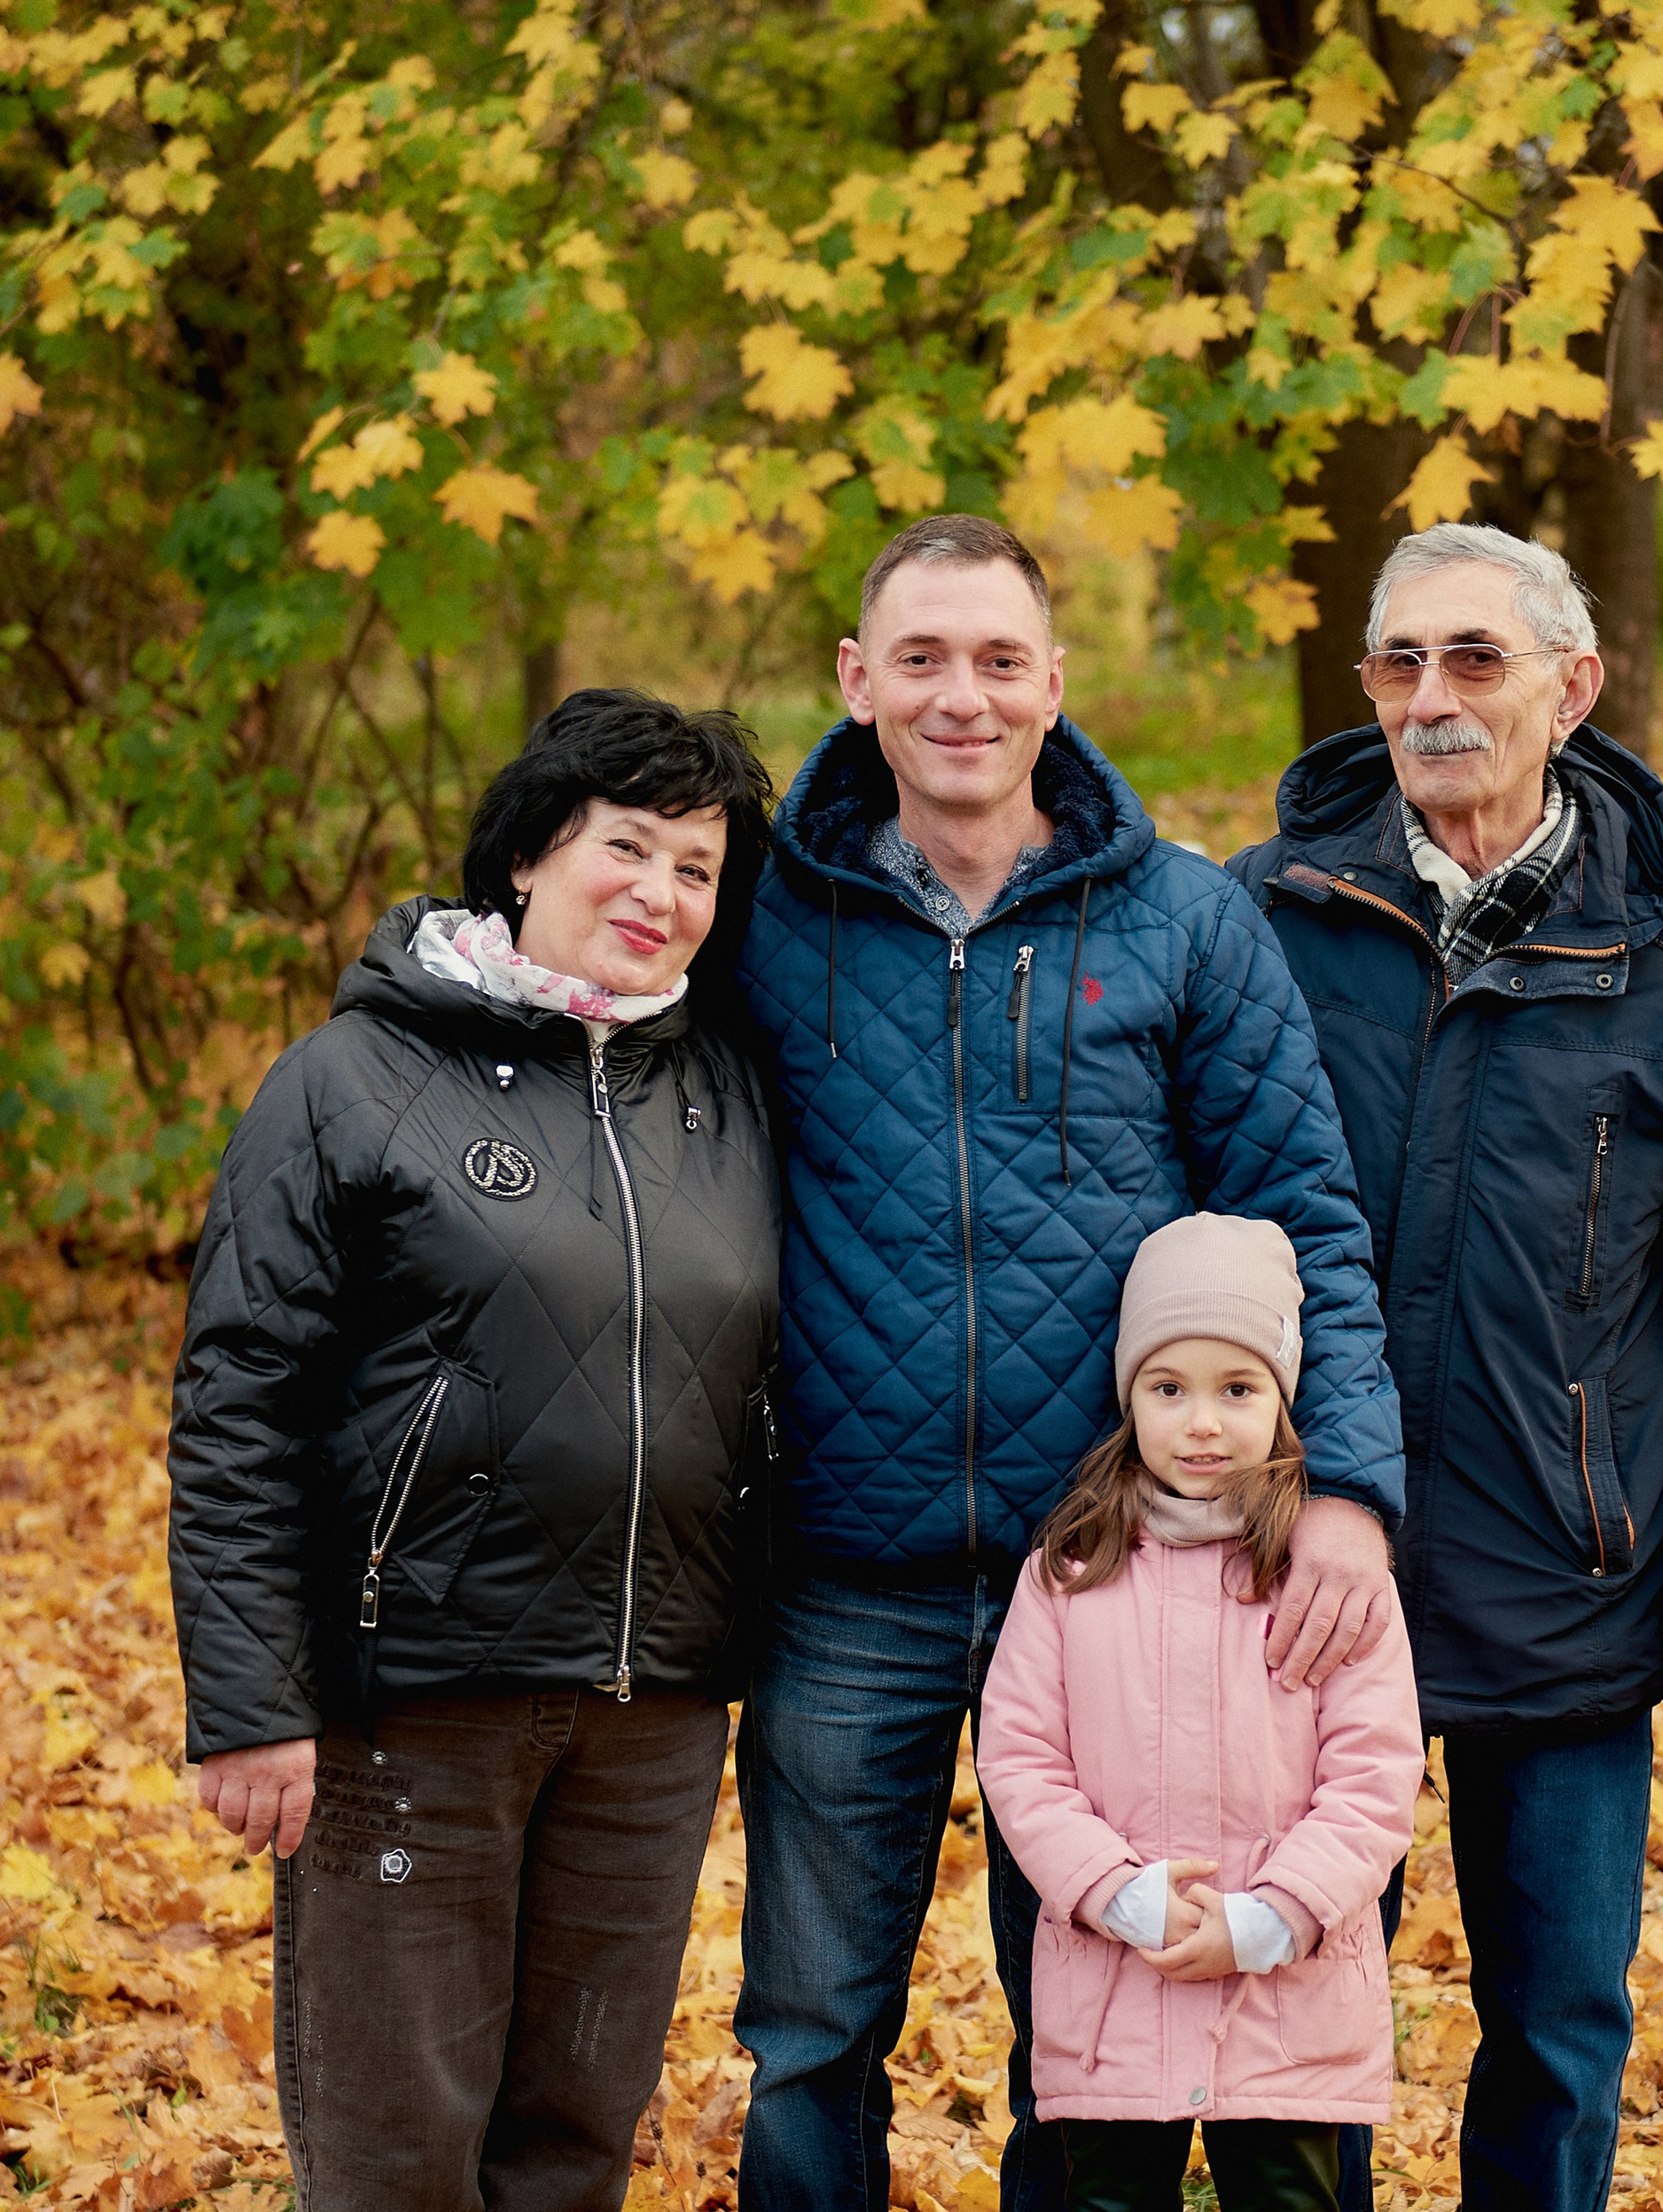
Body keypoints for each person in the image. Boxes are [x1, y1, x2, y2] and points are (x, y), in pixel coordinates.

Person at [732, 514, 1405, 2211]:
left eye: (1000, 660)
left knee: (1098, 2032)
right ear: (857, 681)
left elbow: (1303, 1214)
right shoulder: (763, 916)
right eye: (924, 658)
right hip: (846, 1572)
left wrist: (1349, 1497)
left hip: (1120, 1568)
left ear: (1057, 683)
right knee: (812, 2027)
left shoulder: (1179, 920)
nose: (963, 696)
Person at [1230, 524, 1663, 2212]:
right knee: (1294, 2010)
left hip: (1571, 1577)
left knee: (1558, 2031)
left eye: (1475, 661)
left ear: (1572, 688)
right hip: (1290, 1576)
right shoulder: (1254, 919)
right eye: (1400, 664)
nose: (1433, 701)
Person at [167, 691, 783, 2212]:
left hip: (653, 1711)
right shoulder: (350, 1084)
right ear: (524, 854)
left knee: (576, 2141)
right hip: (418, 1702)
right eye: (624, 847)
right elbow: (241, 1397)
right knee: (396, 2152)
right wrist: (252, 1702)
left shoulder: (728, 1090)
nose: (660, 892)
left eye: (697, 868)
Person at [979, 1214, 1425, 2212]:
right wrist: (1115, 1890)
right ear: (1128, 1396)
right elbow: (1017, 1759)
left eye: (1238, 1389)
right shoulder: (1068, 1575)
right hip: (1113, 1989)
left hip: (1284, 1998)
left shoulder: (1331, 1586)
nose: (1203, 1424)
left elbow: (1376, 1774)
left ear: (1282, 1399)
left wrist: (1275, 1916)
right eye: (1167, 1388)